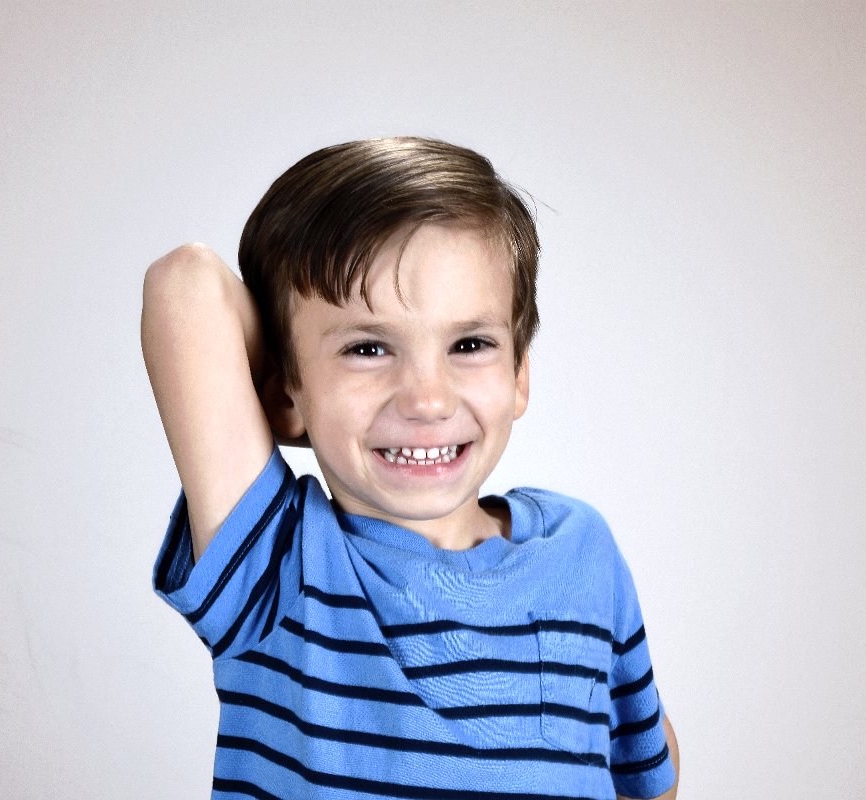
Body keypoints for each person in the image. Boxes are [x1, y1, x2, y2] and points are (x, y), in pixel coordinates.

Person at [141, 137, 680, 800]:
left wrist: (315, 377)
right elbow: (185, 285)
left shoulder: (581, 549)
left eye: (470, 344)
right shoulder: (280, 566)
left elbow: (645, 773)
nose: (428, 399)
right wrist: (295, 376)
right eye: (368, 348)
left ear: (519, 374)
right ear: (283, 390)